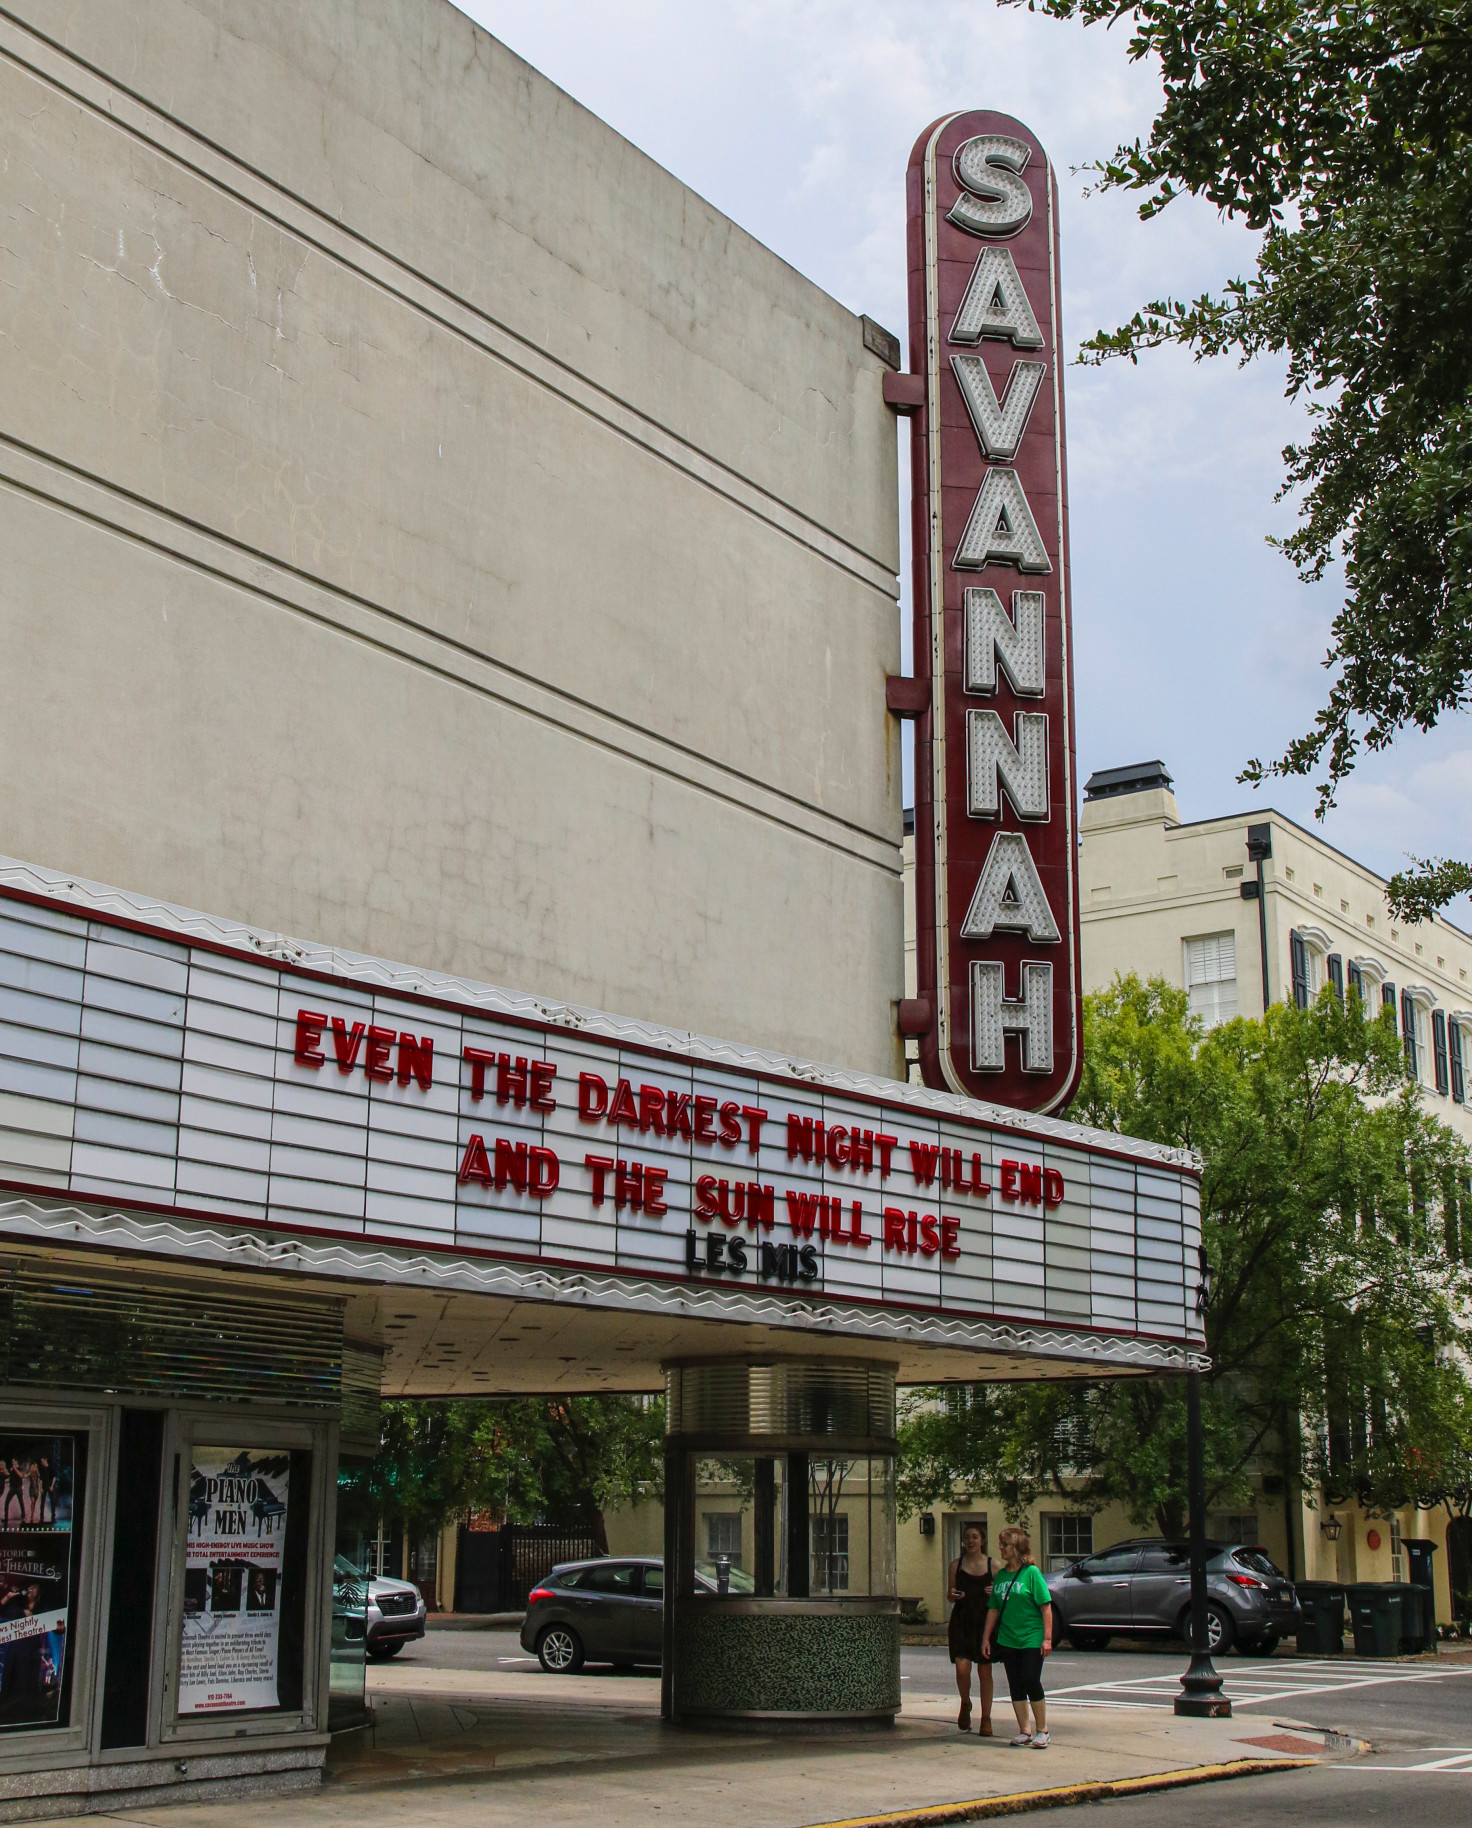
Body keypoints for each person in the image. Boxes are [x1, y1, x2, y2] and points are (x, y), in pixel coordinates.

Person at [980, 1526, 1053, 1748]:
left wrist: (1047, 1638)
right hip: (1007, 1638)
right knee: (1015, 1683)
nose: (1001, 1549)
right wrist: (986, 1638)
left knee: (1031, 1679)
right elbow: (993, 1609)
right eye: (1000, 1545)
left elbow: (1046, 1607)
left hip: (1030, 1637)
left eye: (1005, 1545)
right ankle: (1025, 1730)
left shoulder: (1032, 1574)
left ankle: (1042, 1730)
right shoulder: (1001, 1576)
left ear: (1017, 1547)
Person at [946, 1523, 994, 1733]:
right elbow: (949, 1595)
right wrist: (953, 1594)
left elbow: (1003, 1596)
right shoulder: (955, 1565)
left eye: (975, 1537)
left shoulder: (994, 1565)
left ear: (982, 1541)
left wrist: (996, 1592)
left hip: (985, 1622)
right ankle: (965, 1703)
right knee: (962, 1668)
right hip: (962, 1621)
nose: (970, 1541)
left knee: (985, 1670)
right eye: (967, 1537)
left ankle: (986, 1718)